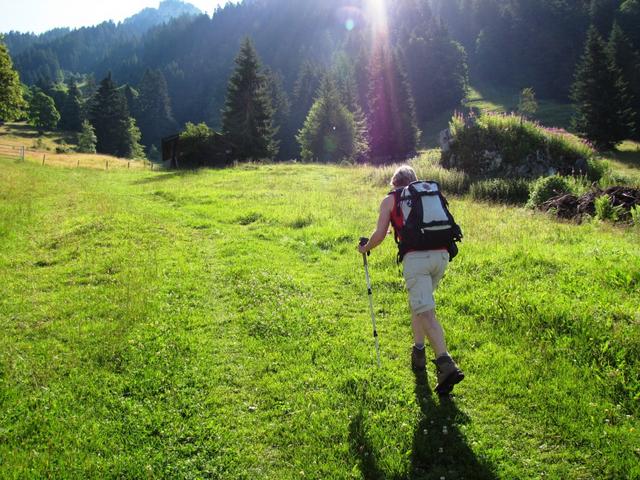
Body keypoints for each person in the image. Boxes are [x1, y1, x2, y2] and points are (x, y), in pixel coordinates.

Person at [357, 165, 464, 394]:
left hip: (417, 259)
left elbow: (379, 234)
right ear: (413, 181)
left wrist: (365, 248)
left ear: (394, 182)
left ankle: (445, 363)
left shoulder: (391, 200)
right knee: (420, 304)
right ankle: (418, 353)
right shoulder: (427, 195)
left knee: (425, 310)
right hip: (442, 256)